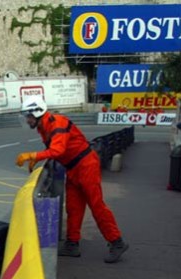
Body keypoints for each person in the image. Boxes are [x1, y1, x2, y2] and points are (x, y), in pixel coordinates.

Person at [15, 96, 129, 263]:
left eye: (28, 116)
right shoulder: (43, 126)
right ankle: (72, 244)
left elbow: (58, 150)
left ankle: (117, 242)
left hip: (86, 165)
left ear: (37, 113)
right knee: (73, 207)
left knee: (97, 206)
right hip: (74, 167)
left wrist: (34, 155)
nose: (27, 120)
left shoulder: (57, 123)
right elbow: (56, 150)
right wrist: (37, 157)